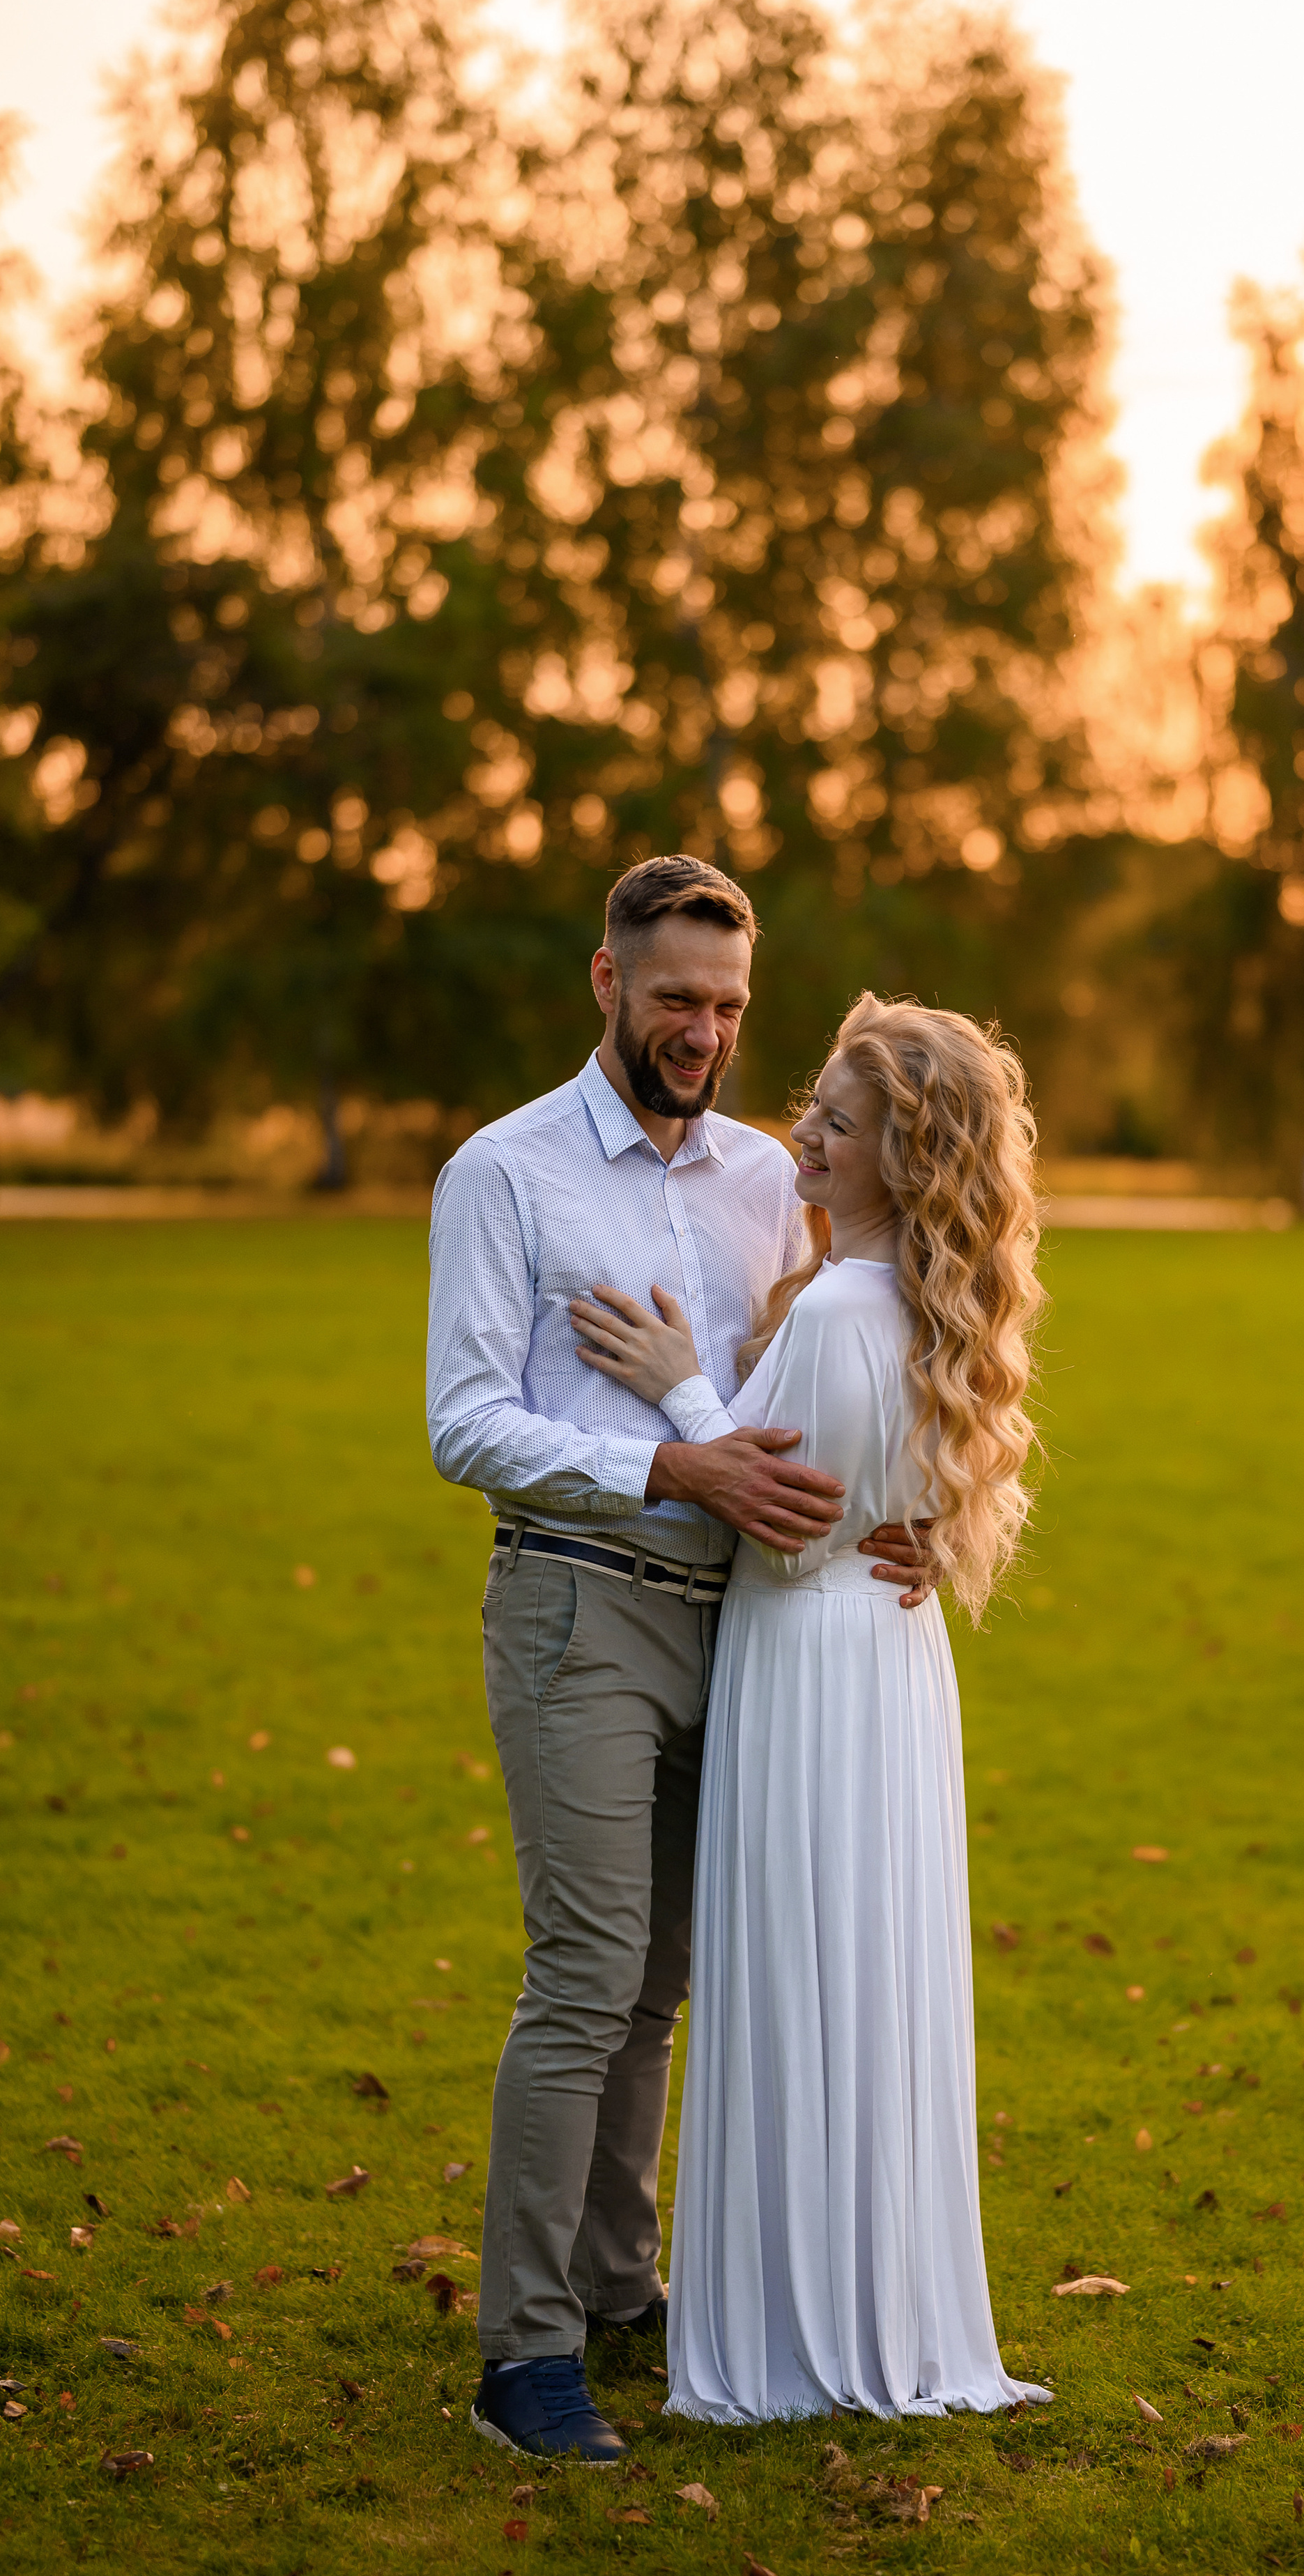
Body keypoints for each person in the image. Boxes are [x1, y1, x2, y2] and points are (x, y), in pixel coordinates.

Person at [424, 859, 930, 2466]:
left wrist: (900, 1525)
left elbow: (856, 1357)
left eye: (725, 1003)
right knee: (582, 1977)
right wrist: (668, 1468)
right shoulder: (501, 1172)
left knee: (659, 1990)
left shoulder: (769, 1176)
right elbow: (464, 1421)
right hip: (578, 1604)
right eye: (673, 1001)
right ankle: (525, 2358)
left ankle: (616, 2286)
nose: (702, 1030)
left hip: (751, 1623)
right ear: (605, 983)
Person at [571, 992, 1053, 2423]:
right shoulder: (910, 1300)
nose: (803, 1134)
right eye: (813, 1108)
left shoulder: (846, 1306)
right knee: (856, 1984)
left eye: (836, 1125)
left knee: (804, 1972)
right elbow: (885, 1503)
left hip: (810, 1660)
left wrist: (678, 1391)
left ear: (904, 1156)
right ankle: (850, 2294)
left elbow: (775, 1527)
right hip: (881, 1668)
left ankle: (792, 2327)